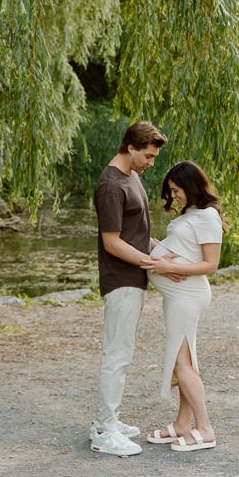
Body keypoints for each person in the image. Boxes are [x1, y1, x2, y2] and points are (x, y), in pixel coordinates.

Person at [90, 120, 168, 458]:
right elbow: (111, 243)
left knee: (122, 351)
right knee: (117, 355)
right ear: (130, 148)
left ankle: (106, 420)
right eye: (148, 156)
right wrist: (151, 264)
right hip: (120, 280)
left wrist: (162, 250)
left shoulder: (132, 177)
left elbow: (135, 233)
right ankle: (105, 431)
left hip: (133, 277)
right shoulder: (111, 185)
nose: (151, 163)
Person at [146, 160, 225, 453]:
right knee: (186, 361)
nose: (174, 196)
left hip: (188, 294)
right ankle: (182, 424)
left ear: (191, 186)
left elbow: (211, 264)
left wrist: (165, 266)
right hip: (178, 296)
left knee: (181, 363)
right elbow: (178, 249)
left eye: (176, 190)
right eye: (171, 191)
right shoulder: (192, 213)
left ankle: (205, 429)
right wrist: (153, 248)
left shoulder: (207, 216)